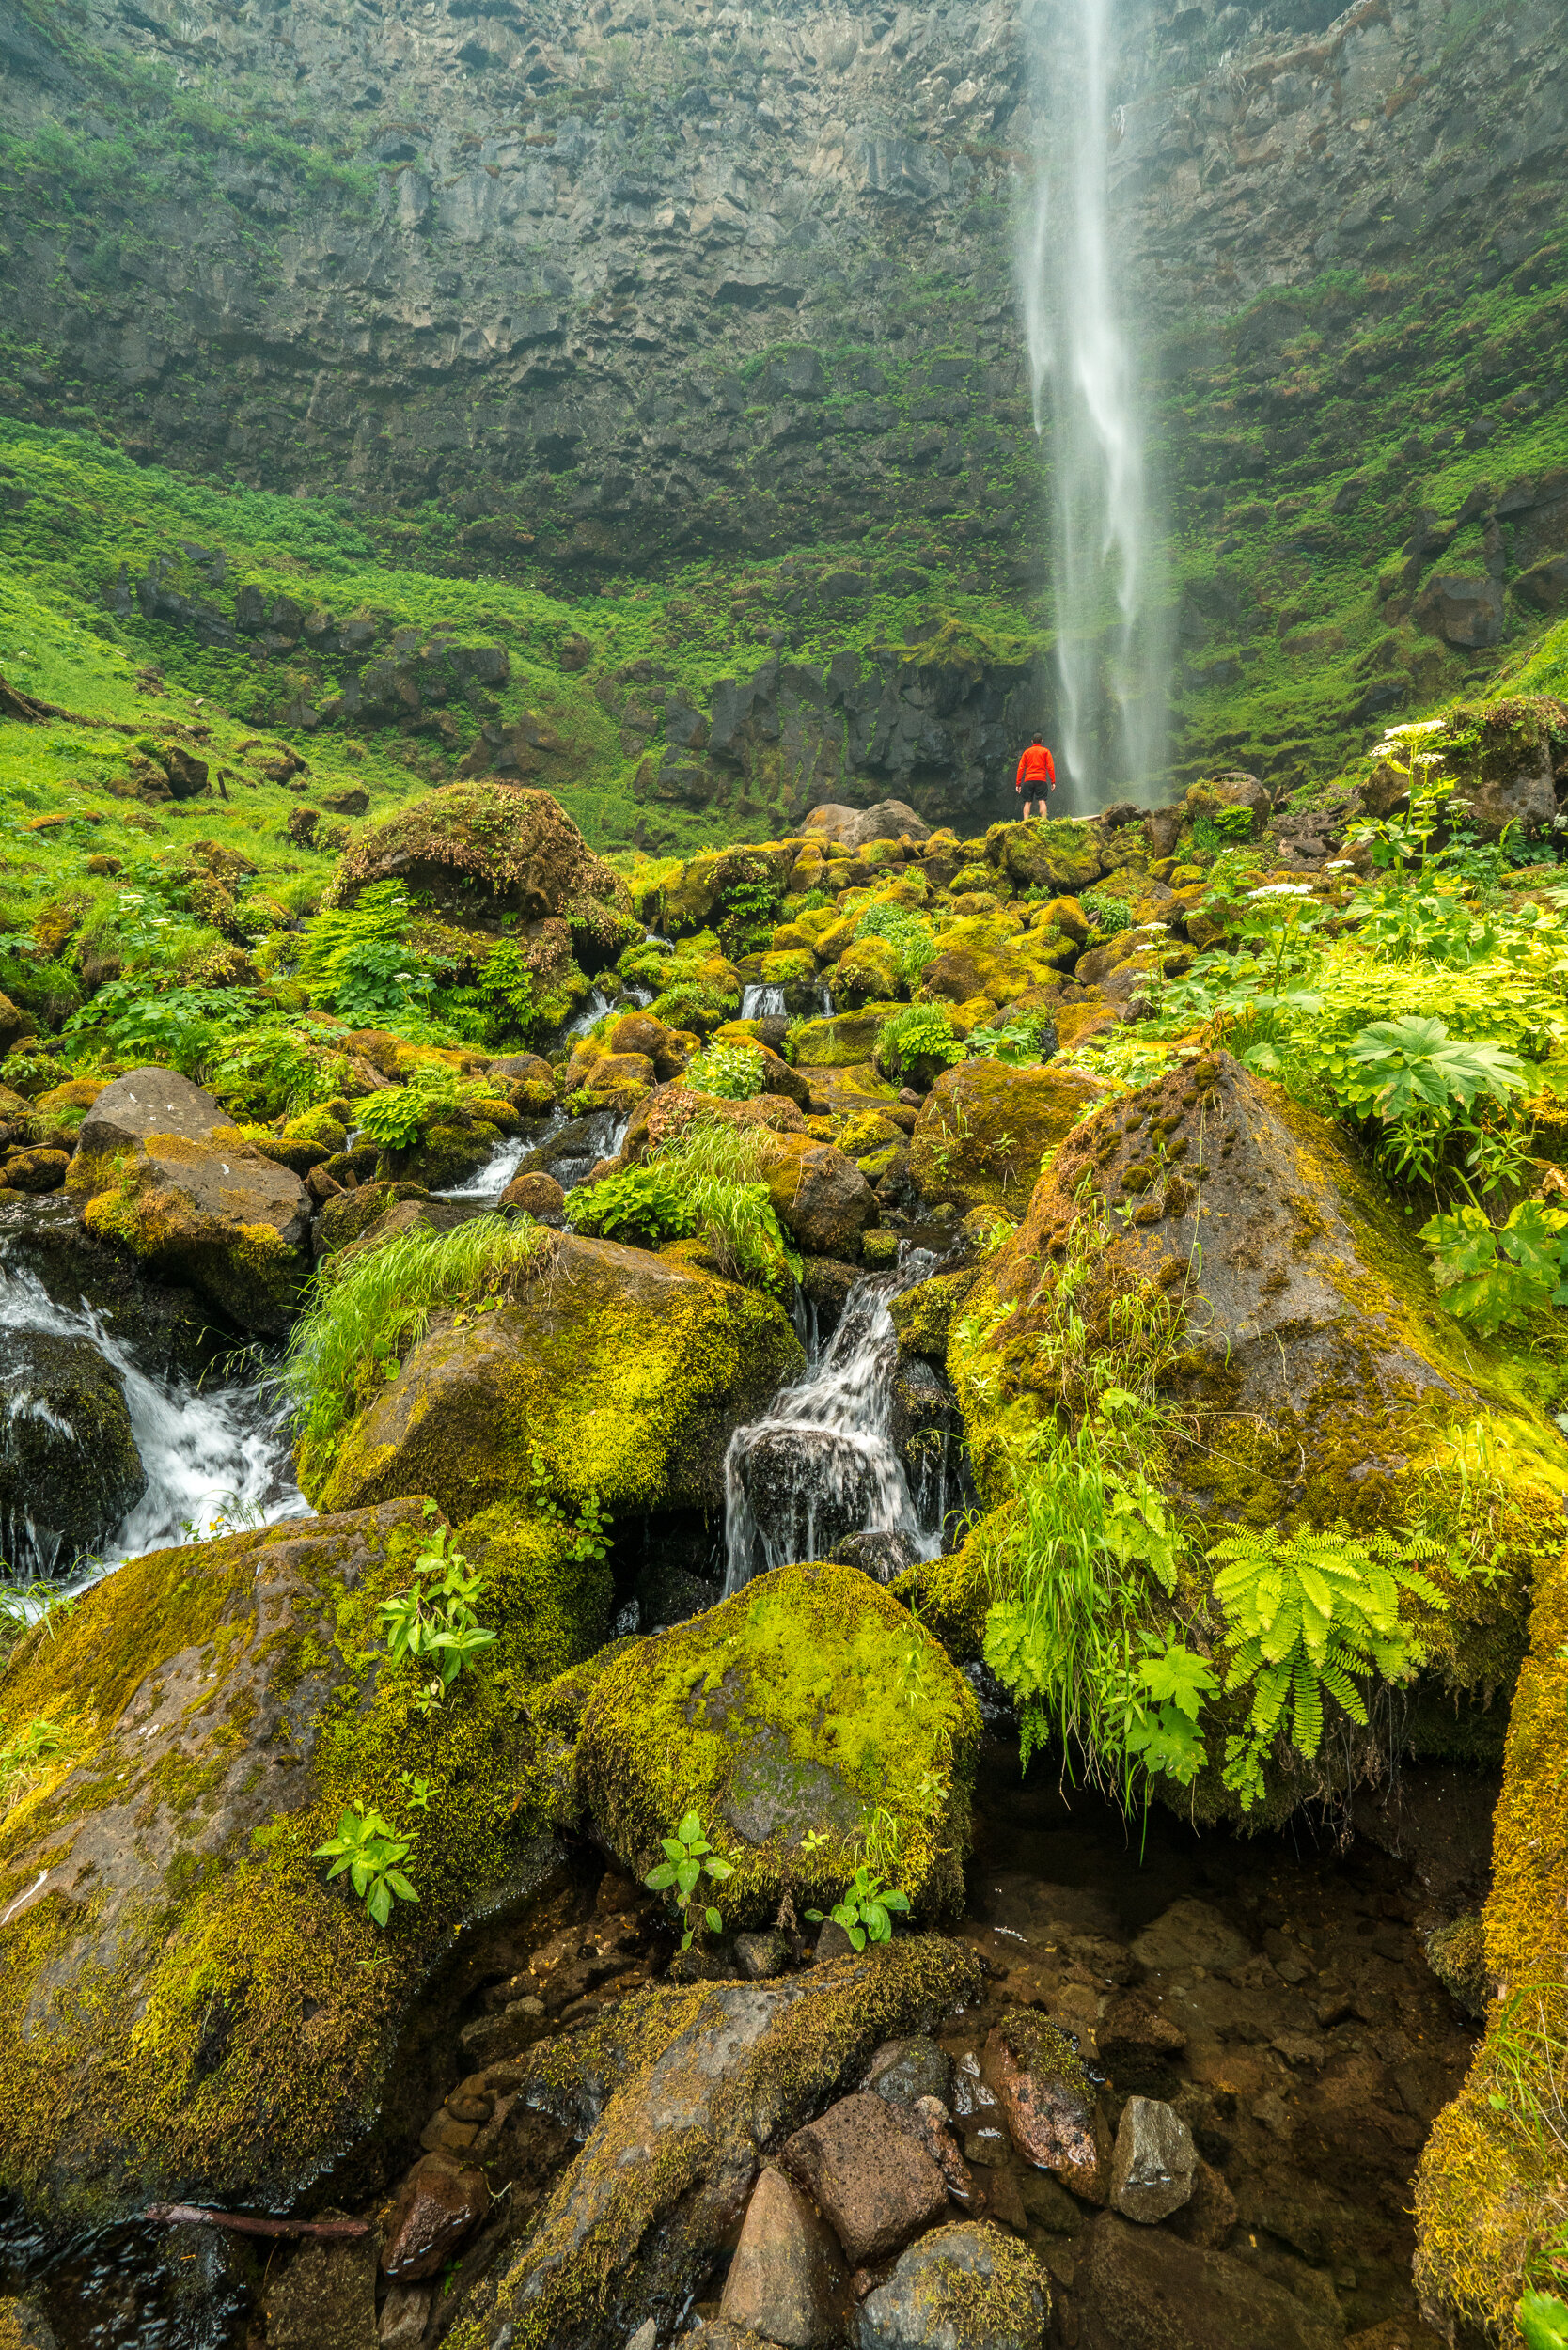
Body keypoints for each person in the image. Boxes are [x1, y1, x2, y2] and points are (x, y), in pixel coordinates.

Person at [1015, 734, 1056, 819]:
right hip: (1041, 780)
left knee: (1027, 802)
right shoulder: (1045, 751)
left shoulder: (1026, 752)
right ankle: (1044, 821)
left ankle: (1025, 822)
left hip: (1028, 780)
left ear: (1032, 742)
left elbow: (1021, 768)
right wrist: (1053, 781)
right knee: (1042, 801)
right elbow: (1050, 767)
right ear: (1041, 741)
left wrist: (1018, 784)